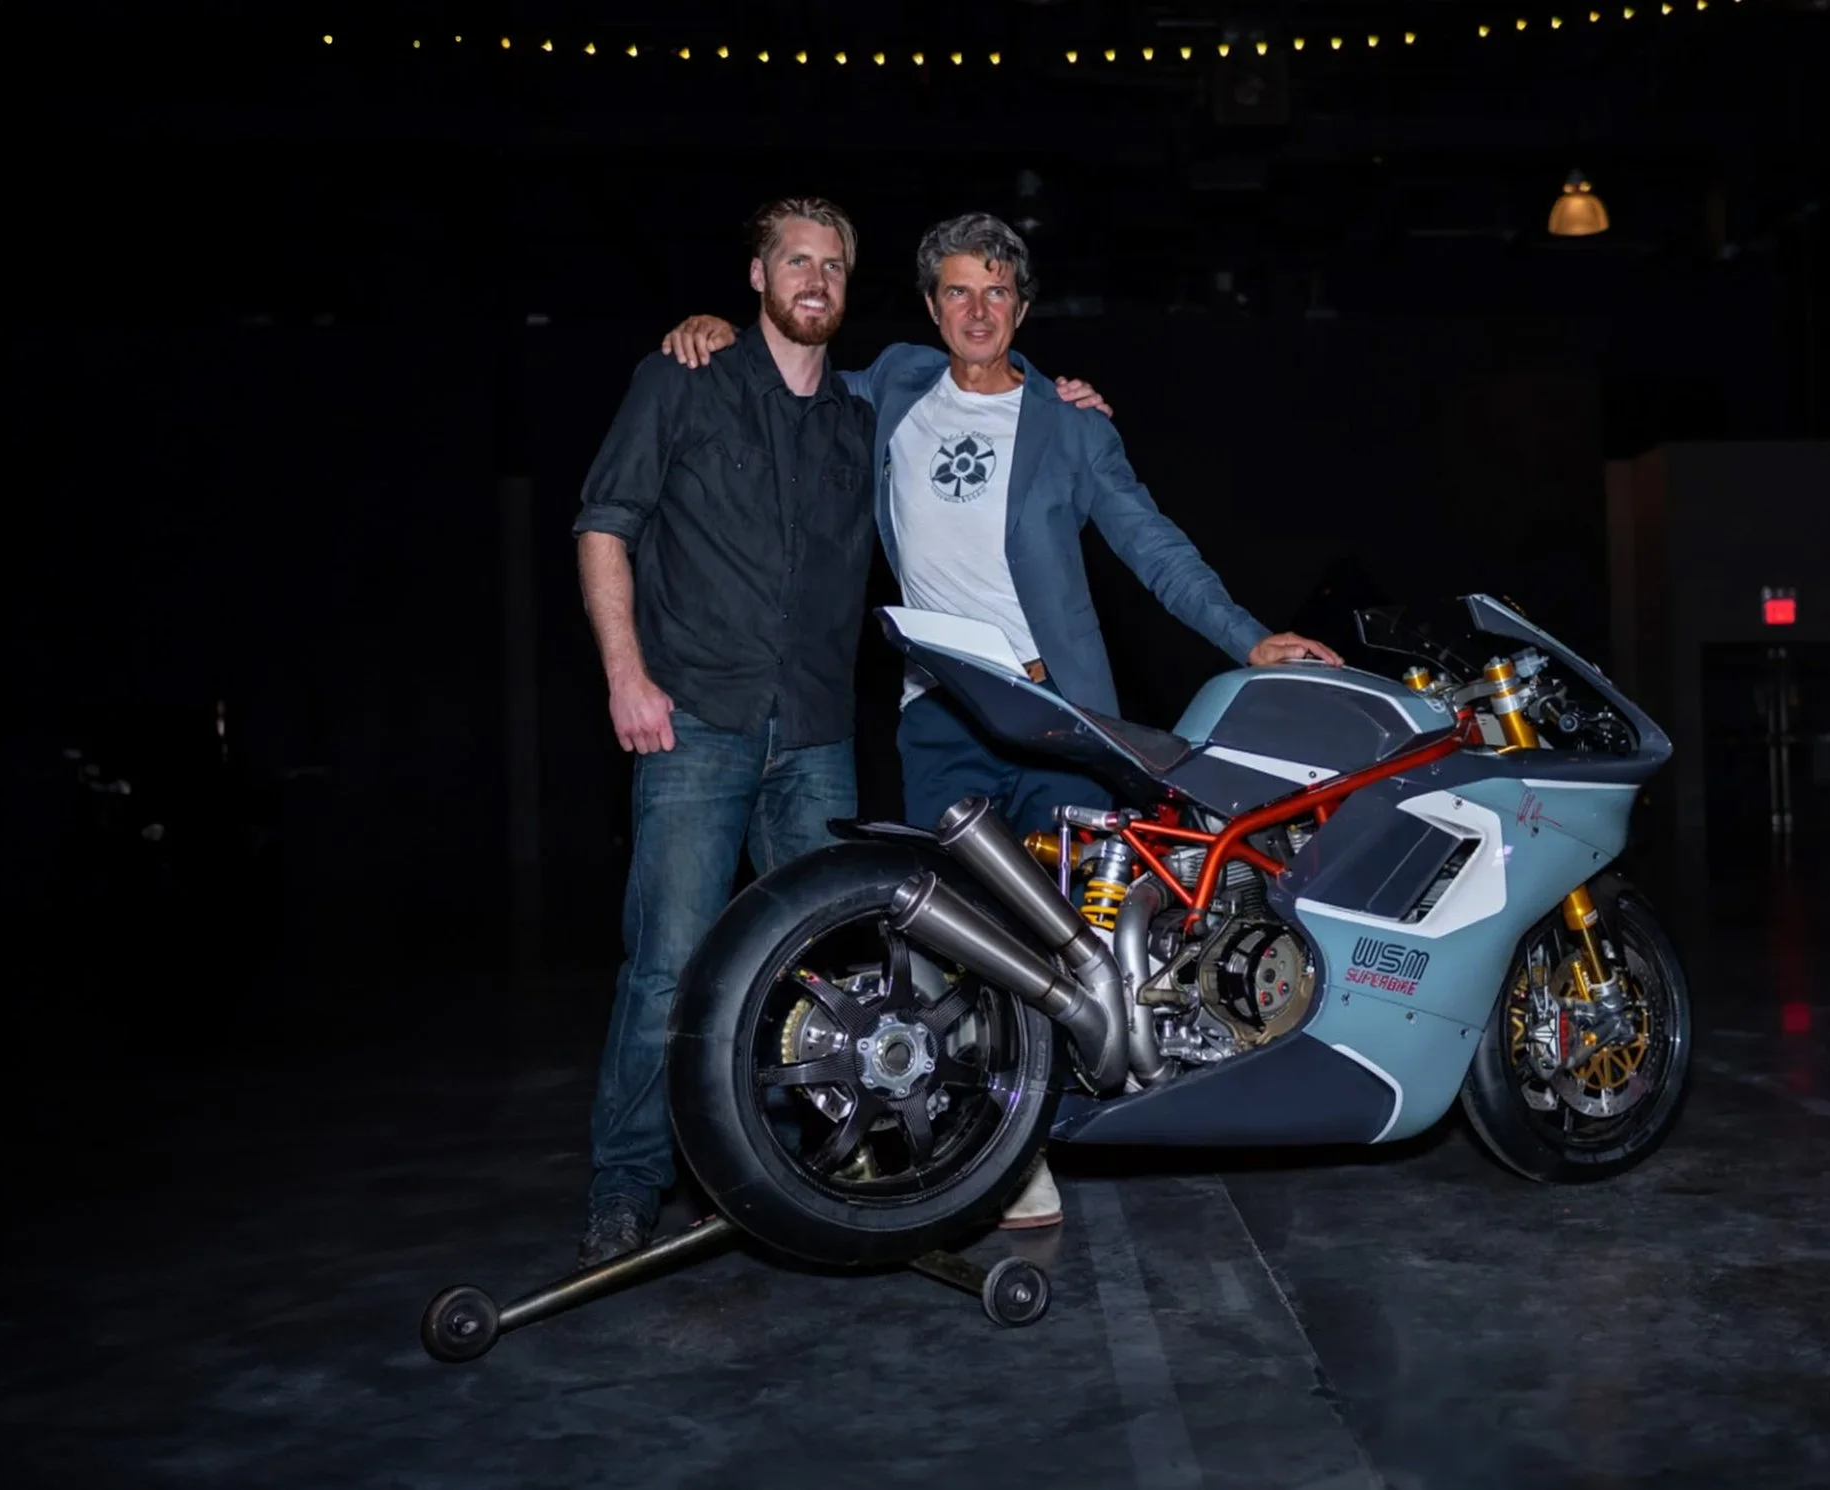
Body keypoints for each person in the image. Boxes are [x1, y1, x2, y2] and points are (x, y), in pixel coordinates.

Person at [661, 212, 1341, 1229]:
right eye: (957, 291)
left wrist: (1247, 638)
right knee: (951, 946)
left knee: (1065, 939)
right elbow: (789, 382)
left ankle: (1043, 1136)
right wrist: (718, 326)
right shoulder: (889, 385)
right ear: (932, 305)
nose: (976, 310)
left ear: (1020, 306)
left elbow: (1152, 546)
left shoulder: (1072, 426)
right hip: (941, 712)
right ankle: (973, 1143)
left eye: (997, 292)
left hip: (1058, 714)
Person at [569, 197, 1112, 1267]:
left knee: (836, 976)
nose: (814, 279)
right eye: (794, 262)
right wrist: (625, 676)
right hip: (694, 721)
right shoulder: (683, 377)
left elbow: (980, 399)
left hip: (815, 731)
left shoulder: (863, 420)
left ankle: (838, 1164)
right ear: (759, 278)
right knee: (669, 968)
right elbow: (604, 523)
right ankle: (626, 1187)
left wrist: (1060, 394)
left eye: (831, 266)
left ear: (847, 289)